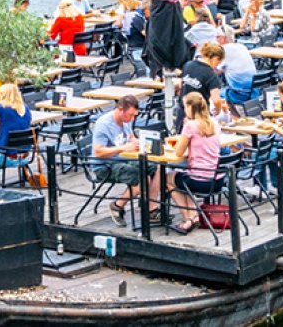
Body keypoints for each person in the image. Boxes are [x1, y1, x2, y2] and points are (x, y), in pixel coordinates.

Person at [152, 92, 222, 234]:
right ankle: (193, 215)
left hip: (199, 180)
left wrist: (185, 133)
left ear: (190, 107)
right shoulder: (214, 122)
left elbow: (178, 152)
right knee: (182, 178)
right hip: (216, 179)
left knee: (168, 179)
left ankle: (188, 218)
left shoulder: (191, 126)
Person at [91, 96, 148, 223]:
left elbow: (131, 137)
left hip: (122, 159)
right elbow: (98, 152)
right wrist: (123, 148)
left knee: (155, 167)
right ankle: (117, 206)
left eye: (135, 116)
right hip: (104, 165)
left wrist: (137, 142)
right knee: (142, 177)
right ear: (120, 110)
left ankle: (151, 209)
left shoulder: (126, 121)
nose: (132, 119)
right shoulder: (104, 124)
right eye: (130, 115)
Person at [179, 42, 225, 123]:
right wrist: (218, 110)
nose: (218, 65)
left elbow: (180, 86)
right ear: (215, 58)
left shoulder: (188, 65)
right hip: (200, 115)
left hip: (184, 110)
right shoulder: (211, 75)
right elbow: (216, 100)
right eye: (219, 62)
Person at [217, 28, 256, 109]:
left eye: (217, 37)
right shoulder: (242, 46)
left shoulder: (224, 49)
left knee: (212, 94)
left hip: (238, 94)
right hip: (254, 92)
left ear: (224, 38)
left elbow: (215, 72)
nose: (215, 40)